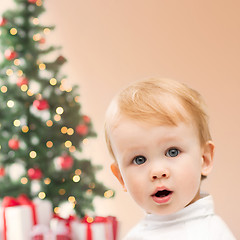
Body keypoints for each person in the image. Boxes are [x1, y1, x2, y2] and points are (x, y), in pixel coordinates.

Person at [104, 78, 236, 239]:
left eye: (172, 152)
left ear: (205, 159)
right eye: (139, 159)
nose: (158, 172)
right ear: (120, 177)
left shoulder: (212, 233)